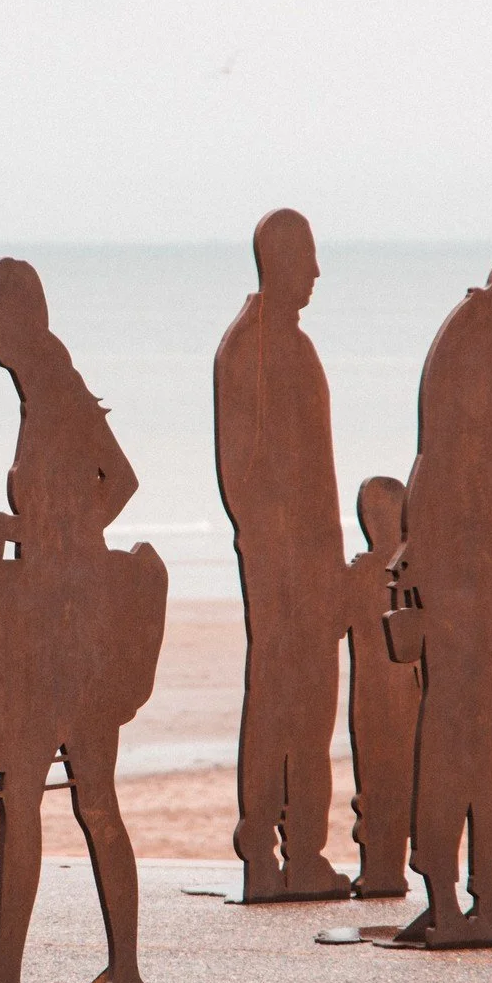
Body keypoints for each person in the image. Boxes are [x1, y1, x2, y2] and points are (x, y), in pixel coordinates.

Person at [0, 258, 163, 983]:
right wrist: (41, 534)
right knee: (84, 798)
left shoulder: (53, 393)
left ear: (14, 318)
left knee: (36, 795)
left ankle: (12, 982)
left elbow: (114, 486)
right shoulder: (47, 390)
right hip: (67, 609)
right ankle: (115, 975)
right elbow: (97, 498)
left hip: (66, 623)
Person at [388, 247, 492, 948]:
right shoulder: (473, 353)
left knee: (459, 732)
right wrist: (444, 575)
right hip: (467, 585)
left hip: (467, 579)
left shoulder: (472, 342)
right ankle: (468, 901)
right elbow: (447, 471)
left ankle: (455, 896)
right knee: (478, 736)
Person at [213, 209, 350, 902]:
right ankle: (269, 845)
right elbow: (248, 474)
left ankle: (300, 852)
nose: (318, 273)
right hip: (283, 568)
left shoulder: (286, 344)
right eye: (310, 259)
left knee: (308, 707)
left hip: (307, 562)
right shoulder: (254, 348)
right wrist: (288, 560)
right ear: (282, 260)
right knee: (280, 704)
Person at [344, 476, 420, 898]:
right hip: (408, 692)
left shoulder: (365, 571)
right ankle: (388, 870)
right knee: (399, 782)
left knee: (377, 785)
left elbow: (329, 622)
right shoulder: (414, 569)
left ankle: (381, 870)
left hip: (376, 697)